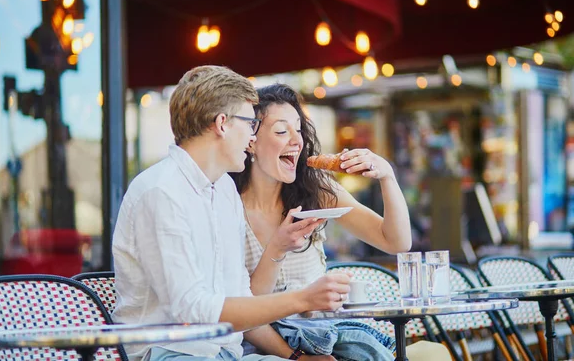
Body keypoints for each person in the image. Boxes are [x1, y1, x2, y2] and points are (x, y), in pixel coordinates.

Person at [112, 66, 350, 361]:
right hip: (170, 353)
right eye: (250, 123)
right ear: (222, 124)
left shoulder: (224, 190)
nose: (252, 138)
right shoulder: (160, 192)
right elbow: (194, 311)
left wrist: (295, 357)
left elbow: (240, 296)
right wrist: (301, 299)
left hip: (226, 353)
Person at [230, 83, 450, 361]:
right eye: (281, 131)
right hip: (267, 346)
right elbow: (245, 312)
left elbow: (396, 242)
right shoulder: (228, 207)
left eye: (298, 129)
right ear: (251, 141)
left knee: (433, 354)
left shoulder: (315, 189)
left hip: (326, 333)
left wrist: (387, 177)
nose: (296, 140)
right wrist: (298, 357)